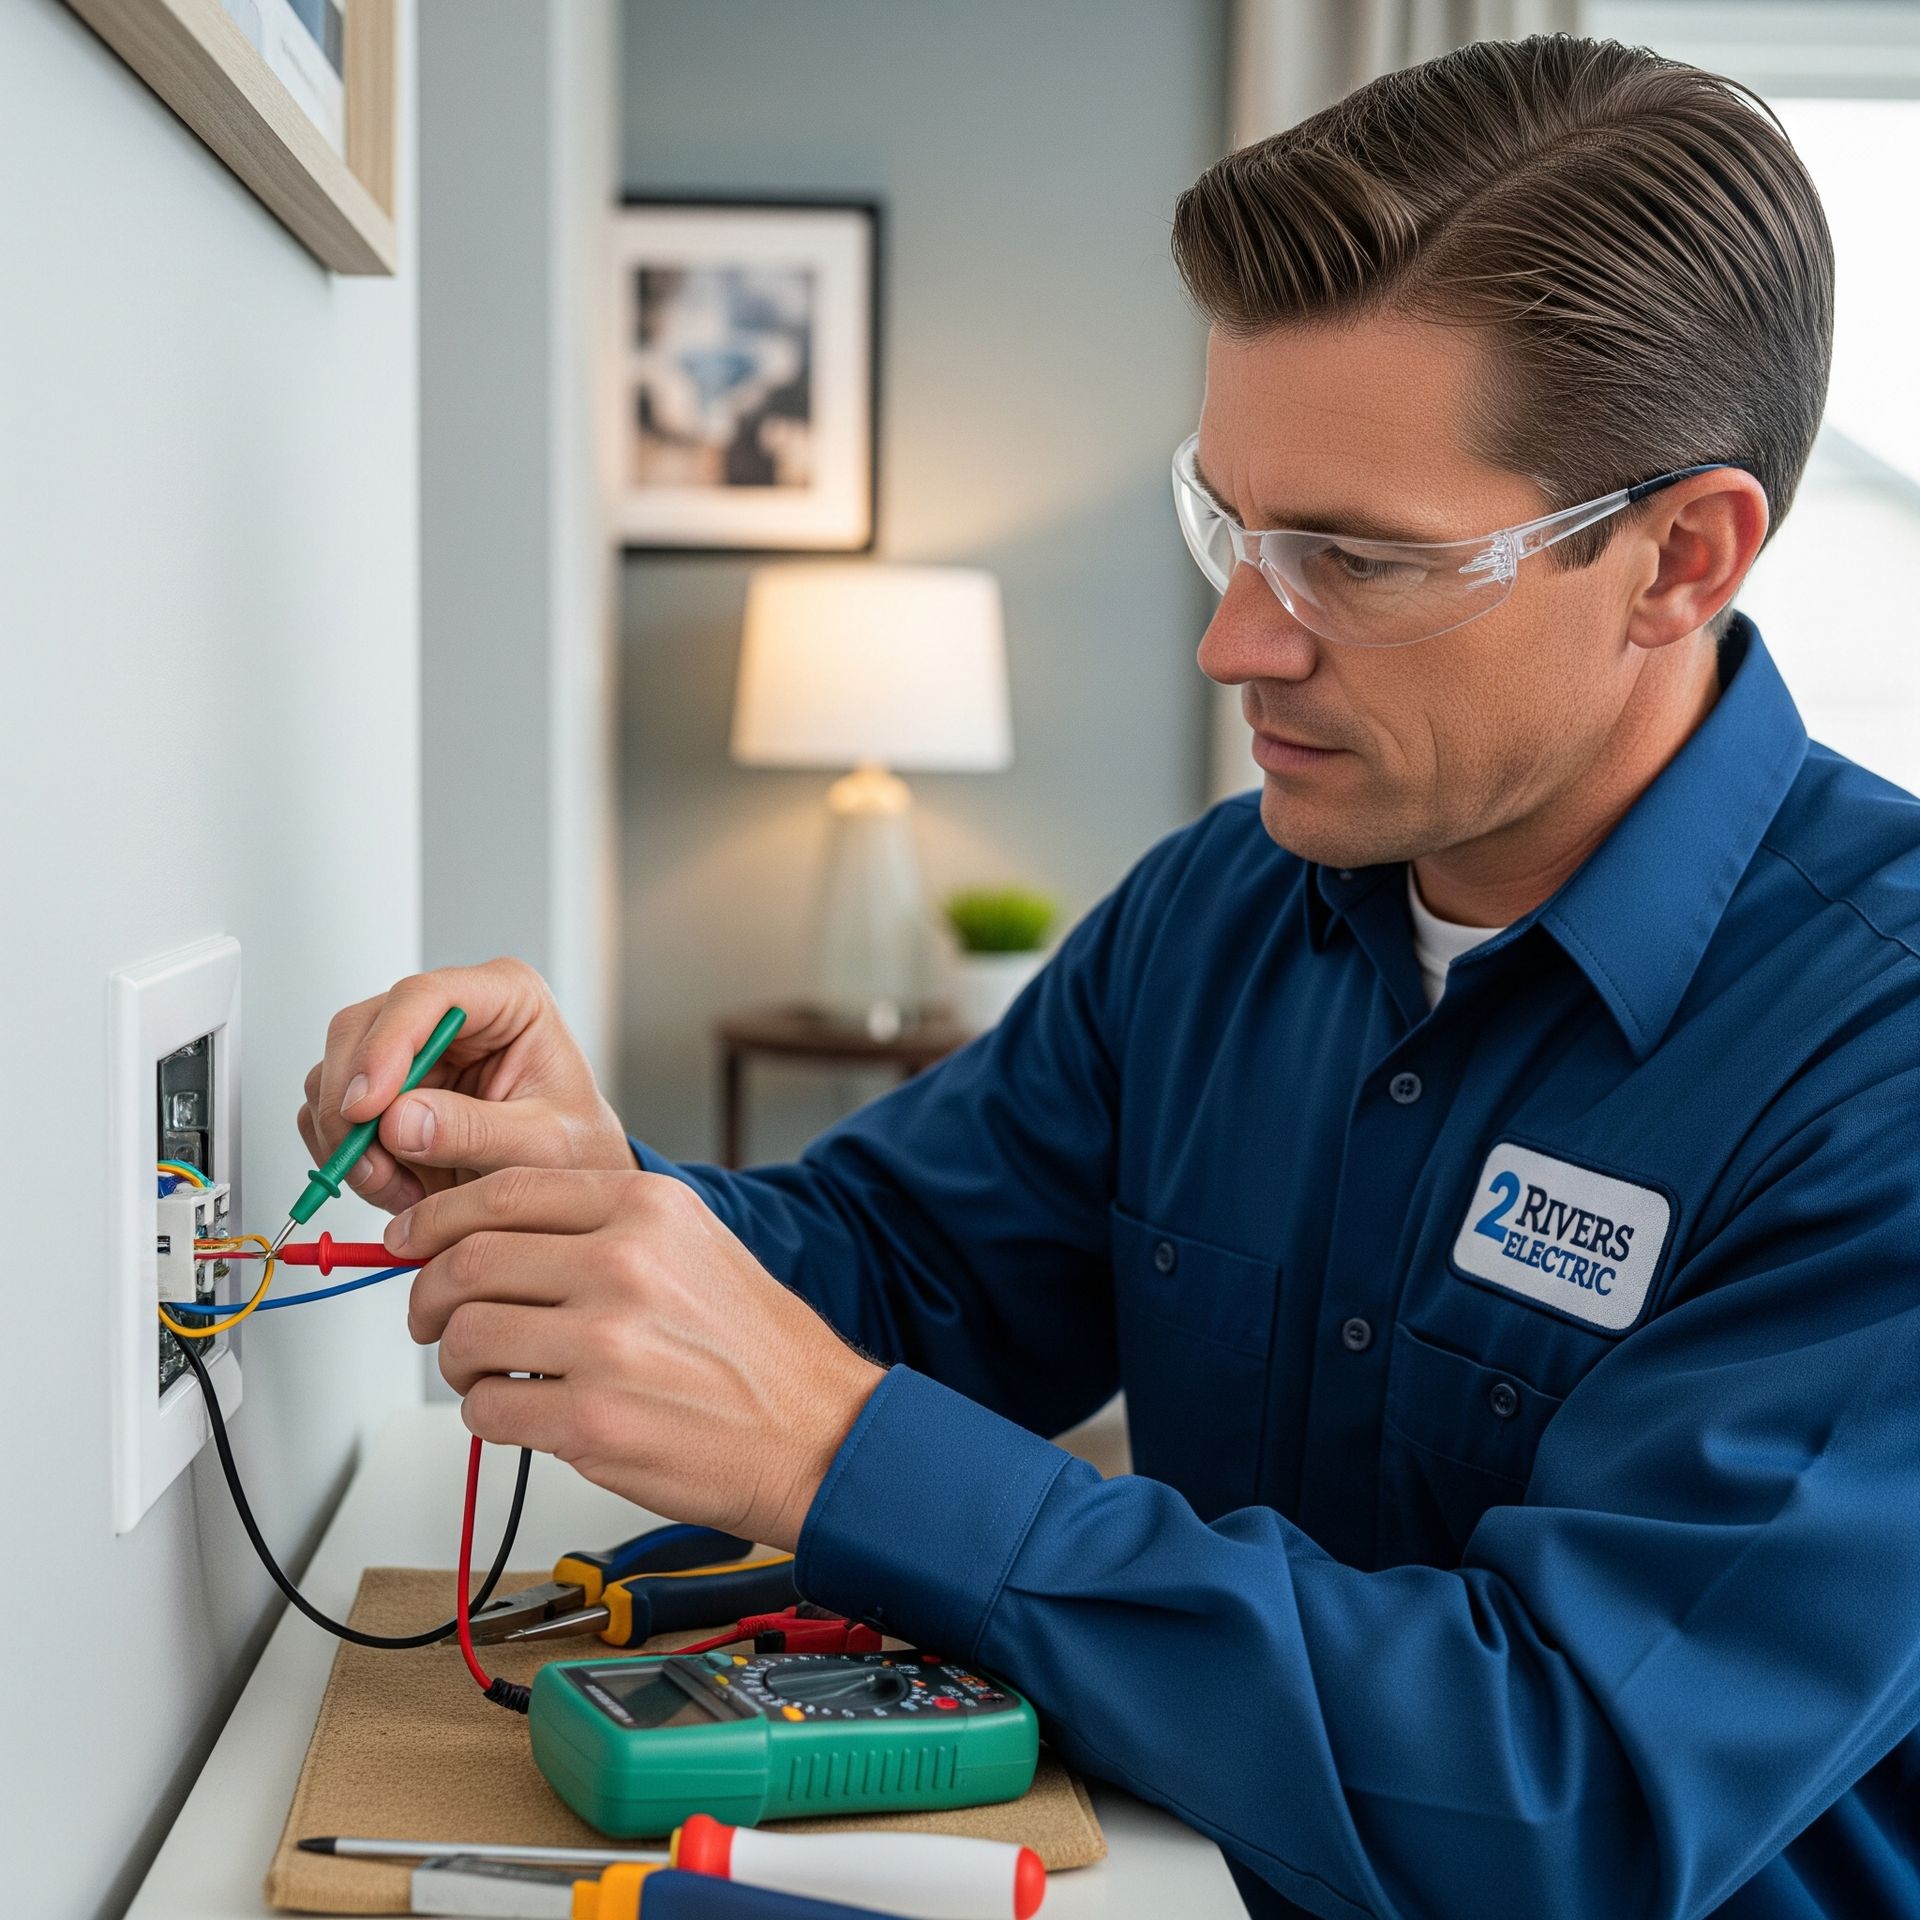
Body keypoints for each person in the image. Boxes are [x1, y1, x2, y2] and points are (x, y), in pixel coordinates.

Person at [299, 37, 1919, 1920]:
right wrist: (605, 1195)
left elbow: (1566, 1796)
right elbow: (907, 1275)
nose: (1237, 638)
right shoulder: (1219, 912)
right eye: (1229, 521)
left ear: (1680, 557)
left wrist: (834, 1445)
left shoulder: (1876, 1066)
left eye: (1353, 561)